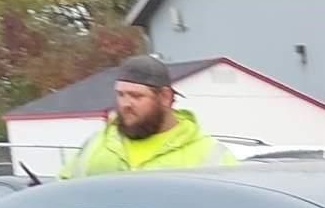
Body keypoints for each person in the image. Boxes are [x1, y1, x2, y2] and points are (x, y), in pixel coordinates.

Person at [60, 57, 234, 178]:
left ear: (165, 97)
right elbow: (65, 194)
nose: (125, 104)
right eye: (121, 94)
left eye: (136, 96)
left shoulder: (209, 155)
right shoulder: (97, 145)